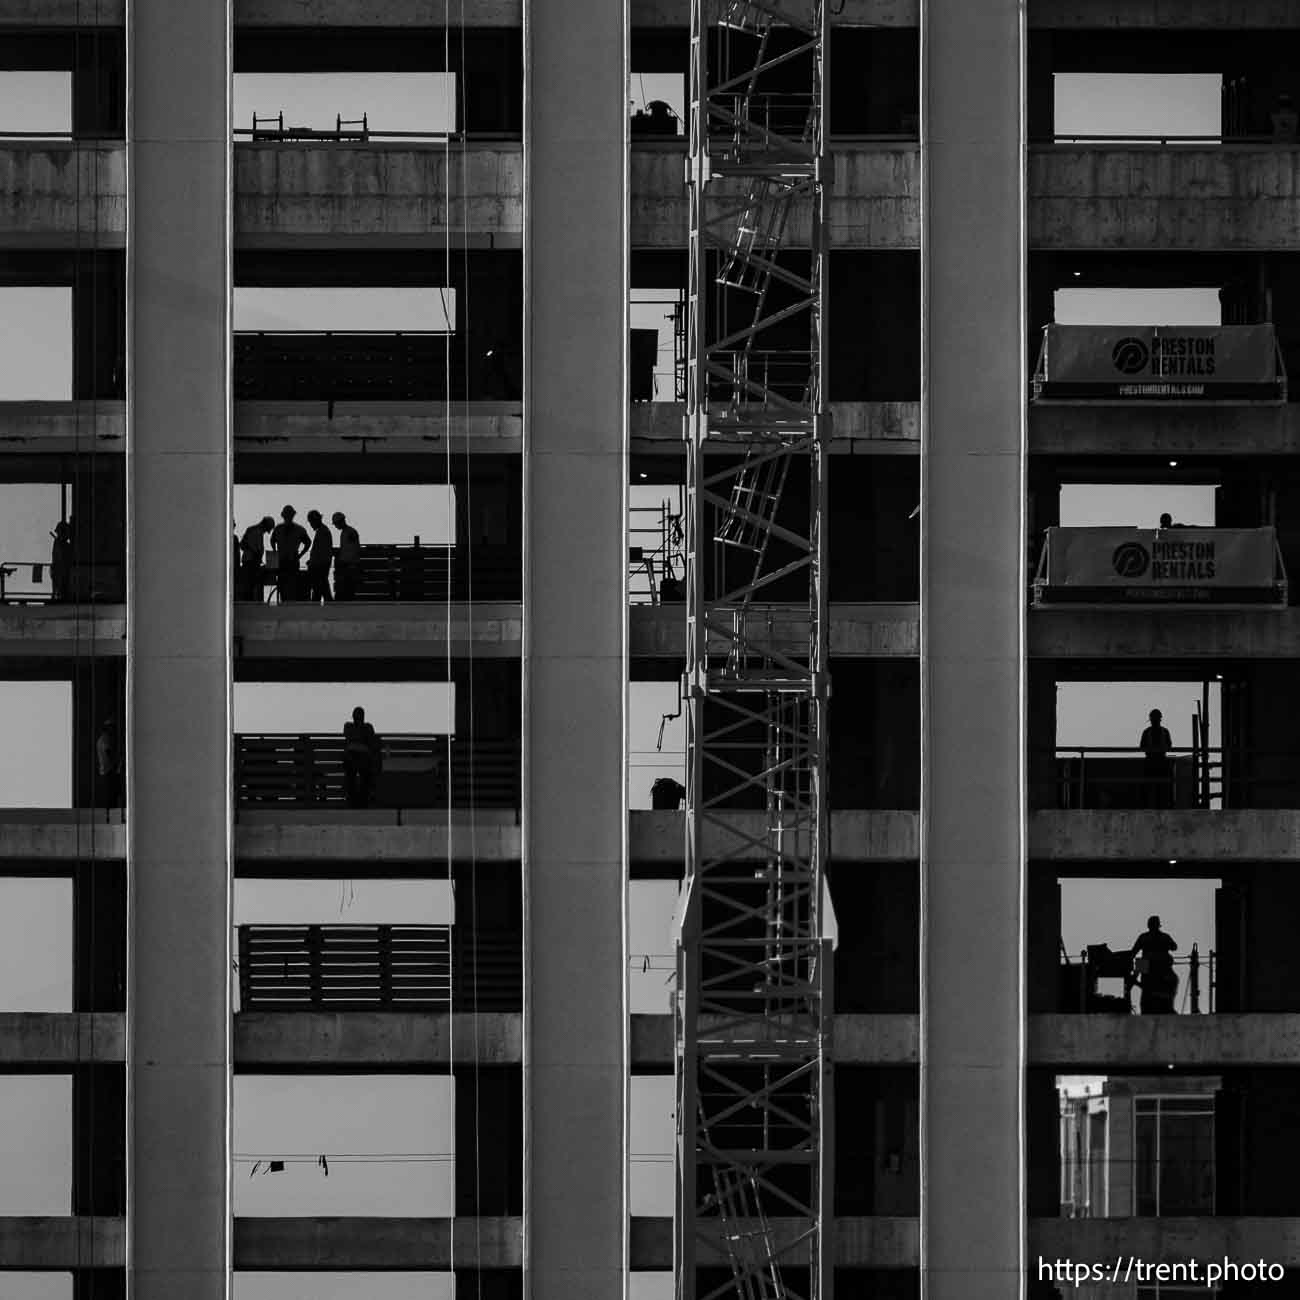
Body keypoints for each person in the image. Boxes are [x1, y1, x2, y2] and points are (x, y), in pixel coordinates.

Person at [1131, 915, 1178, 1014]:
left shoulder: (1144, 937)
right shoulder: (1164, 937)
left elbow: (1133, 953)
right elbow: (1174, 947)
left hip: (1154, 973)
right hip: (1160, 972)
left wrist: (1134, 977)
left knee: (1148, 1003)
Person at [342, 706, 382, 808]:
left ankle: (353, 802)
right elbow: (371, 742)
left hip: (351, 759)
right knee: (365, 777)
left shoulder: (348, 727)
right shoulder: (367, 728)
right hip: (363, 759)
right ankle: (362, 802)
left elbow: (349, 737)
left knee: (352, 778)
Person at [269, 505, 310, 602]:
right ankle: (285, 604)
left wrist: (299, 556)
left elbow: (308, 542)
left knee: (291, 587)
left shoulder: (298, 529)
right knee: (283, 587)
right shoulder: (279, 529)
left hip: (292, 562)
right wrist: (275, 554)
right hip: (284, 562)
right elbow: (272, 540)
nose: (288, 517)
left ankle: (288, 605)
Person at [1139, 708, 1173, 808]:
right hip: (1154, 762)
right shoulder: (1161, 731)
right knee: (1153, 787)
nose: (1155, 720)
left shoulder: (1149, 732)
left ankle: (1157, 806)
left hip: (1157, 762)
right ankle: (1154, 806)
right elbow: (1169, 746)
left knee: (1160, 787)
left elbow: (1142, 747)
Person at [239, 517, 274, 602]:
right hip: (251, 563)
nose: (267, 531)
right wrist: (256, 557)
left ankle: (249, 601)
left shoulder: (251, 529)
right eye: (268, 529)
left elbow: (242, 545)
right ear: (265, 525)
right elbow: (256, 551)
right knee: (252, 586)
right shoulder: (257, 532)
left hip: (247, 561)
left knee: (248, 586)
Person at [305, 510, 334, 603]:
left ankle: (321, 606)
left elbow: (320, 552)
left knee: (320, 588)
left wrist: (312, 563)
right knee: (322, 589)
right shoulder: (322, 531)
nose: (311, 525)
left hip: (320, 566)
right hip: (321, 565)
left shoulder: (323, 532)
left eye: (311, 522)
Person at [96, 719, 122, 821]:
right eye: (111, 727)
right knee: (112, 795)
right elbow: (108, 752)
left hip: (106, 771)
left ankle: (110, 817)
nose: (113, 730)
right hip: (108, 771)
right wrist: (117, 763)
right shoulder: (105, 739)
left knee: (111, 795)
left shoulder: (102, 739)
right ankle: (110, 817)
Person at [332, 511, 361, 601]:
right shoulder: (347, 532)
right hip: (347, 566)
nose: (336, 526)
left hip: (348, 566)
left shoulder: (349, 532)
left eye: (336, 524)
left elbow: (352, 551)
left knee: (347, 589)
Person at [50, 521, 73, 603]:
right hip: (60, 570)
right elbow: (60, 557)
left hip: (60, 570)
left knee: (59, 590)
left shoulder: (59, 543)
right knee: (59, 589)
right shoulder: (59, 544)